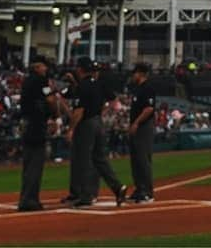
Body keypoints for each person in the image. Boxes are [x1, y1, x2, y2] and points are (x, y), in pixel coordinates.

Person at [66, 57, 128, 207]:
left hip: (86, 124)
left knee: (84, 160)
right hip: (98, 122)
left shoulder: (83, 86)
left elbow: (79, 110)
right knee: (100, 159)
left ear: (80, 70)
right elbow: (113, 101)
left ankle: (86, 195)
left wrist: (71, 129)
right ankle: (117, 187)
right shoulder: (98, 84)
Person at [17, 55, 60, 211]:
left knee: (29, 164)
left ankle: (26, 198)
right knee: (35, 164)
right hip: (36, 124)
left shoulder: (28, 81)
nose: (46, 68)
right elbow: (50, 99)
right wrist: (56, 117)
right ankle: (29, 200)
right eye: (43, 66)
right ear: (37, 67)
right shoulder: (40, 81)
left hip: (27, 123)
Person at [127, 62, 156, 203]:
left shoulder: (148, 88)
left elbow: (149, 109)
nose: (133, 75)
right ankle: (139, 189)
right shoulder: (137, 89)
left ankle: (147, 192)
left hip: (144, 126)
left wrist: (137, 123)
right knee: (136, 159)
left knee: (143, 159)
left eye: (135, 73)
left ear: (140, 73)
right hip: (137, 126)